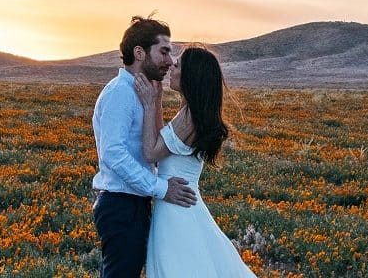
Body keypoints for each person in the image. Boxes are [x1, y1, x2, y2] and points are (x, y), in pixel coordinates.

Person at [133, 45, 257, 278]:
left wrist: (149, 105)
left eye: (177, 65)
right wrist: (158, 100)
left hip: (177, 208)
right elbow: (164, 144)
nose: (171, 66)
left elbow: (151, 153)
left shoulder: (189, 117)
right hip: (180, 202)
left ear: (192, 75)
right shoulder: (191, 112)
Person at [92, 16, 198, 278]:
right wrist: (162, 189)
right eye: (164, 51)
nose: (170, 60)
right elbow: (114, 154)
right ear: (139, 53)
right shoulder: (120, 93)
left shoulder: (141, 92)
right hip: (121, 205)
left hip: (134, 203)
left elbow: (155, 145)